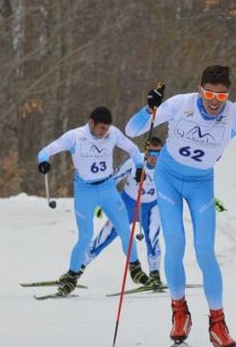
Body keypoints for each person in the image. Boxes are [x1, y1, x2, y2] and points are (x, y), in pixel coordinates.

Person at [125, 66, 236, 347]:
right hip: (168, 178)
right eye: (209, 93)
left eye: (221, 95)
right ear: (200, 90)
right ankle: (179, 311)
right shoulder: (180, 104)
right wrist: (149, 108)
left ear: (228, 94)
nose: (214, 100)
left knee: (204, 251)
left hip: (201, 183)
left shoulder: (233, 114)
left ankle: (218, 323)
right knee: (175, 244)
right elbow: (133, 129)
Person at [37, 106, 151, 296]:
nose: (104, 132)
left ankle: (136, 269)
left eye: (107, 128)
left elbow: (133, 149)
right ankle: (72, 277)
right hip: (85, 191)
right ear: (91, 123)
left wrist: (139, 166)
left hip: (107, 188)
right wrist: (43, 162)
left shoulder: (113, 133)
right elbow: (45, 151)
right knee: (85, 237)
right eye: (101, 128)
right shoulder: (75, 136)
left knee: (124, 228)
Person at [82, 136, 163, 286]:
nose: (154, 158)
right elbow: (112, 180)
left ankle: (155, 275)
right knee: (105, 236)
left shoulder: (166, 165)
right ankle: (76, 269)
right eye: (151, 154)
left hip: (151, 207)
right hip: (128, 204)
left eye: (158, 154)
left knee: (153, 238)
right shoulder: (134, 162)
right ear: (145, 152)